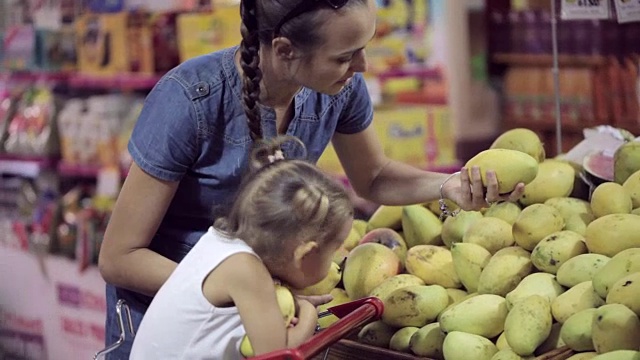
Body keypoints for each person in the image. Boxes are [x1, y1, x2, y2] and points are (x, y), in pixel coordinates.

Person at [98, 0, 524, 357]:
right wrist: (249, 295)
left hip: (262, 304)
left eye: (363, 48)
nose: (362, 65)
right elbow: (120, 257)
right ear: (284, 51)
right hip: (168, 313)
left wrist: (447, 186)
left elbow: (373, 177)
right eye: (344, 56)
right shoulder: (190, 99)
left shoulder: (339, 88)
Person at [129, 136, 352, 359]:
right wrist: (308, 317)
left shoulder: (220, 240)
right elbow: (277, 356)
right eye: (334, 250)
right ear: (305, 254)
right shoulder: (248, 271)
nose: (335, 260)